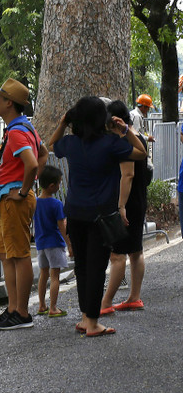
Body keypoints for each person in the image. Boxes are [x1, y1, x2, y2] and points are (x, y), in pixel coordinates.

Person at [47, 96, 146, 337]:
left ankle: (85, 318)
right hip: (101, 215)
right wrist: (125, 128)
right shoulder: (111, 143)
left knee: (81, 266)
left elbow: (52, 144)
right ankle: (92, 323)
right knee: (96, 267)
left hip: (75, 212)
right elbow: (141, 152)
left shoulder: (71, 143)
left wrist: (62, 123)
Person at [0, 78, 48, 330]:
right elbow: (43, 154)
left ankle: (22, 312)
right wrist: (30, 184)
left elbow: (33, 163)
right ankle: (13, 307)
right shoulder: (25, 128)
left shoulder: (16, 132)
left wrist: (24, 191)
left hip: (15, 199)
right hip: (9, 198)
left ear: (9, 104)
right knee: (7, 255)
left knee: (19, 255)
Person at [100, 100, 148, 314]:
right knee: (135, 251)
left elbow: (127, 175)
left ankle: (105, 303)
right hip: (139, 199)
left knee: (117, 255)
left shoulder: (125, 141)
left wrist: (120, 206)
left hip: (128, 203)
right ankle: (134, 297)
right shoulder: (137, 136)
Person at [34, 165, 71, 318]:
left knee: (43, 274)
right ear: (52, 186)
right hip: (54, 243)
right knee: (54, 276)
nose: (60, 185)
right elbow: (62, 226)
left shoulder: (35, 202)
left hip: (40, 243)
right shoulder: (56, 204)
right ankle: (53, 307)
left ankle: (42, 305)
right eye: (59, 183)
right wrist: (69, 244)